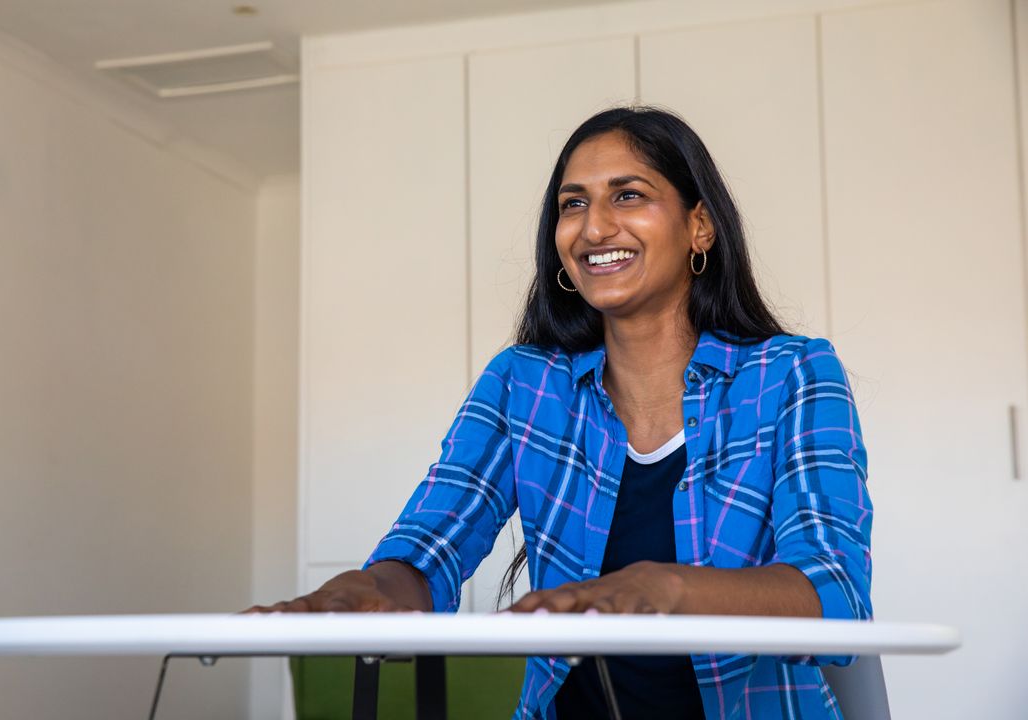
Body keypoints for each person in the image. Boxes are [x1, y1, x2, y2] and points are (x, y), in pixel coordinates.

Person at [251, 107, 873, 720]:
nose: (594, 228)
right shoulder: (524, 384)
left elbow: (833, 589)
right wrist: (370, 590)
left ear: (700, 226)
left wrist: (666, 589)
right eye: (573, 204)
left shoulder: (791, 374)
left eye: (628, 196)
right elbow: (431, 546)